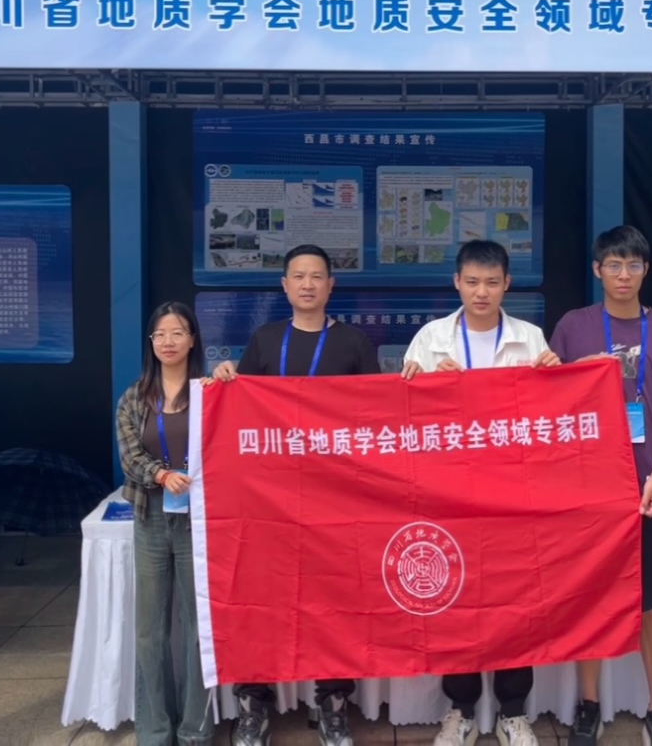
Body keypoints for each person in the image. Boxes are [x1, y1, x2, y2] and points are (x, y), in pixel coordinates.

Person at [213, 243, 379, 746]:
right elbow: (239, 412)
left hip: (335, 497)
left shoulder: (353, 343)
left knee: (334, 601)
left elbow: (376, 414)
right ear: (284, 286)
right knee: (261, 598)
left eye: (317, 276)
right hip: (270, 499)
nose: (308, 284)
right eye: (298, 276)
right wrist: (226, 380)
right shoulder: (265, 340)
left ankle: (331, 706)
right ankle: (254, 706)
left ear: (331, 285)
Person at [549, 226, 652, 746]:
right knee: (589, 598)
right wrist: (570, 369)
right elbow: (548, 398)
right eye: (613, 265)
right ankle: (589, 704)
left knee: (651, 602)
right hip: (585, 488)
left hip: (647, 490)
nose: (623, 275)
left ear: (645, 270)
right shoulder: (573, 327)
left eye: (632, 265)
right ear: (597, 270)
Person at [400, 239, 561, 746]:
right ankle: (461, 709)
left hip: (514, 496)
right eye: (472, 282)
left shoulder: (530, 338)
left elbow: (550, 419)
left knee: (517, 600)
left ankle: (514, 712)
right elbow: (406, 420)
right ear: (457, 283)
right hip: (450, 495)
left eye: (492, 282)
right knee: (456, 601)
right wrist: (425, 384)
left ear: (507, 284)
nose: (481, 292)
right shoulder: (431, 339)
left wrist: (554, 380)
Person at [117, 301, 215, 746]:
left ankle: (195, 731)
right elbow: (129, 454)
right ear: (151, 343)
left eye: (178, 333)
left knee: (198, 630)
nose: (168, 341)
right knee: (150, 631)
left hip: (199, 520)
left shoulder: (209, 393)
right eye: (160, 334)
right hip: (152, 517)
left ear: (192, 339)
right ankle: (156, 731)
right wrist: (160, 474)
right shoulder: (135, 397)